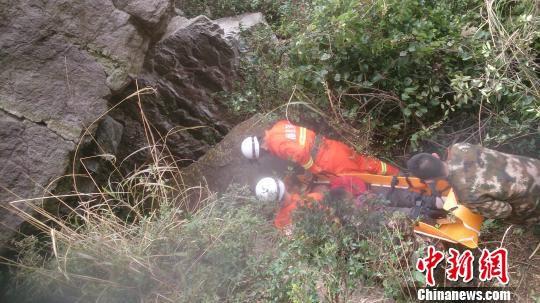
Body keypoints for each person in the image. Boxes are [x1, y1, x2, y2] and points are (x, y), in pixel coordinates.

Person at [407, 143, 540, 224]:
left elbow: (504, 211)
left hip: (534, 200)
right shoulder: (458, 147)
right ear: (435, 155)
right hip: (534, 168)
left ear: (429, 180)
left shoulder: (466, 196)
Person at [254, 176, 444, 232]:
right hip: (353, 217)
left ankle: (429, 214)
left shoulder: (280, 223)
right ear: (281, 186)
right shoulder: (313, 199)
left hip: (347, 222)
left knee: (389, 210)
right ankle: (434, 204)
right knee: (384, 202)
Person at [241, 120, 400, 176]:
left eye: (260, 157)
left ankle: (405, 189)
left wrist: (313, 170)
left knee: (359, 179)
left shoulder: (276, 145)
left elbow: (300, 152)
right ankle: (399, 174)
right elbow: (299, 139)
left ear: (260, 152)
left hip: (328, 161)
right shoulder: (278, 126)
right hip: (330, 145)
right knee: (366, 163)